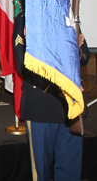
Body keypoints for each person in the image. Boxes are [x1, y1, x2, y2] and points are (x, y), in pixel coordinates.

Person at [14, 10, 89, 181]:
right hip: (41, 105)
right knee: (41, 172)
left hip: (70, 107)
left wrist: (74, 49)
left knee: (70, 170)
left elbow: (84, 57)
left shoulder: (68, 16)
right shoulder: (26, 18)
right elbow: (23, 65)